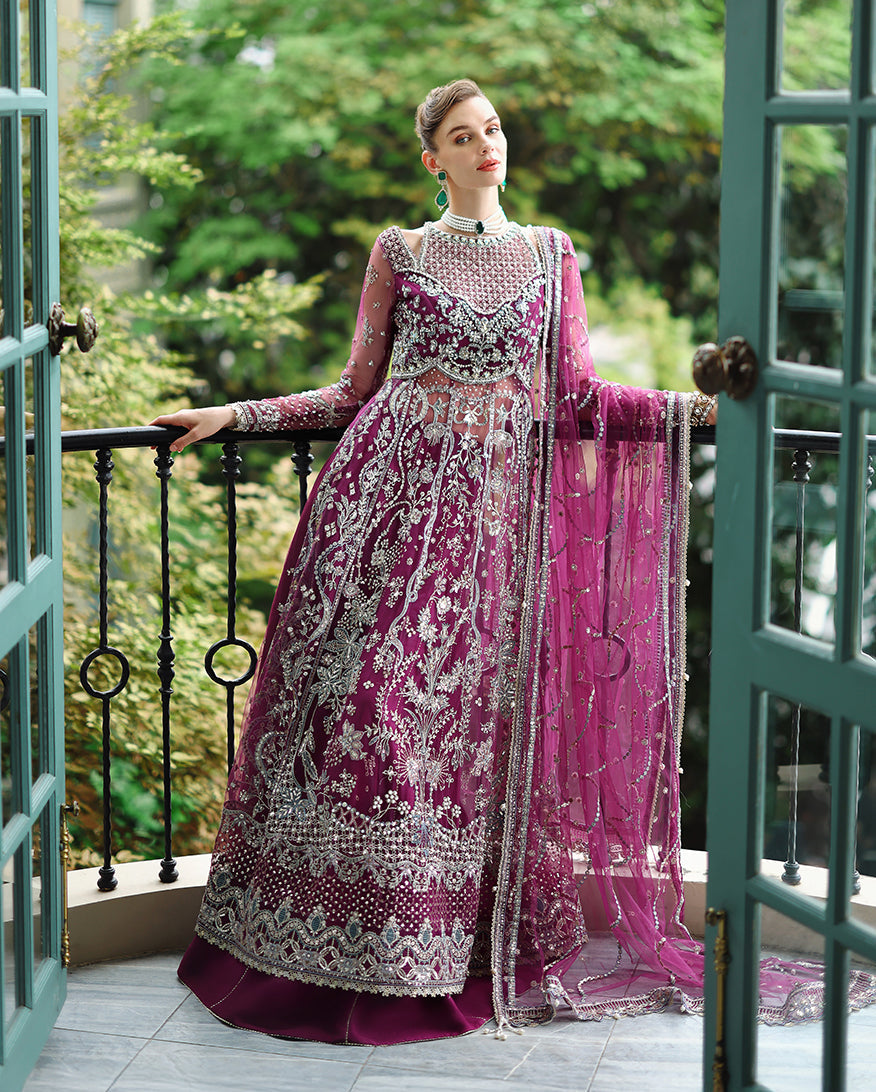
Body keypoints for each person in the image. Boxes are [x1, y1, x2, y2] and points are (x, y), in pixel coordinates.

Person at [151, 79, 871, 1044]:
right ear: (433, 158)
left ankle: (434, 953)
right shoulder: (401, 252)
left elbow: (577, 391)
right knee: (367, 713)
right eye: (462, 135)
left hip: (491, 533)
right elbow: (352, 389)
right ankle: (330, 951)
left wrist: (702, 409)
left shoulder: (550, 254)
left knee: (459, 744)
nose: (485, 143)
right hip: (381, 515)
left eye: (491, 128)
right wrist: (236, 413)